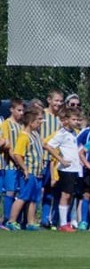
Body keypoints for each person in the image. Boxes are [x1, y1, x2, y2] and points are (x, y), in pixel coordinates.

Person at [44, 107, 84, 232]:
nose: (76, 122)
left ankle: (65, 221)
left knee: (70, 195)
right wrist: (60, 160)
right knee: (65, 195)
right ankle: (63, 223)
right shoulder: (62, 133)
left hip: (74, 169)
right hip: (66, 169)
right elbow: (48, 145)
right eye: (74, 119)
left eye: (78, 119)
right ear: (66, 120)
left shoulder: (74, 133)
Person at [7, 107, 45, 231]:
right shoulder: (24, 136)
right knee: (23, 197)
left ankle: (30, 222)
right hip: (29, 173)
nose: (41, 122)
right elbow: (18, 154)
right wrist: (24, 169)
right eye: (38, 120)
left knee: (34, 198)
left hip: (37, 173)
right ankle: (11, 221)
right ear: (31, 122)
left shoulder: (35, 135)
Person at [39, 89, 64, 228]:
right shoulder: (42, 115)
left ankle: (50, 220)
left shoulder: (61, 118)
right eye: (56, 100)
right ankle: (29, 219)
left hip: (55, 160)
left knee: (53, 190)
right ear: (49, 100)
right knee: (40, 188)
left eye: (61, 101)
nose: (59, 103)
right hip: (43, 158)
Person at [1, 98, 25, 227]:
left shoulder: (21, 125)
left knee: (19, 192)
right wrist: (16, 160)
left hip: (22, 164)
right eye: (19, 110)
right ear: (11, 109)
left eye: (22, 110)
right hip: (11, 164)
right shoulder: (6, 124)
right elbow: (8, 145)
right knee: (10, 191)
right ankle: (6, 219)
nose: (21, 113)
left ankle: (16, 219)